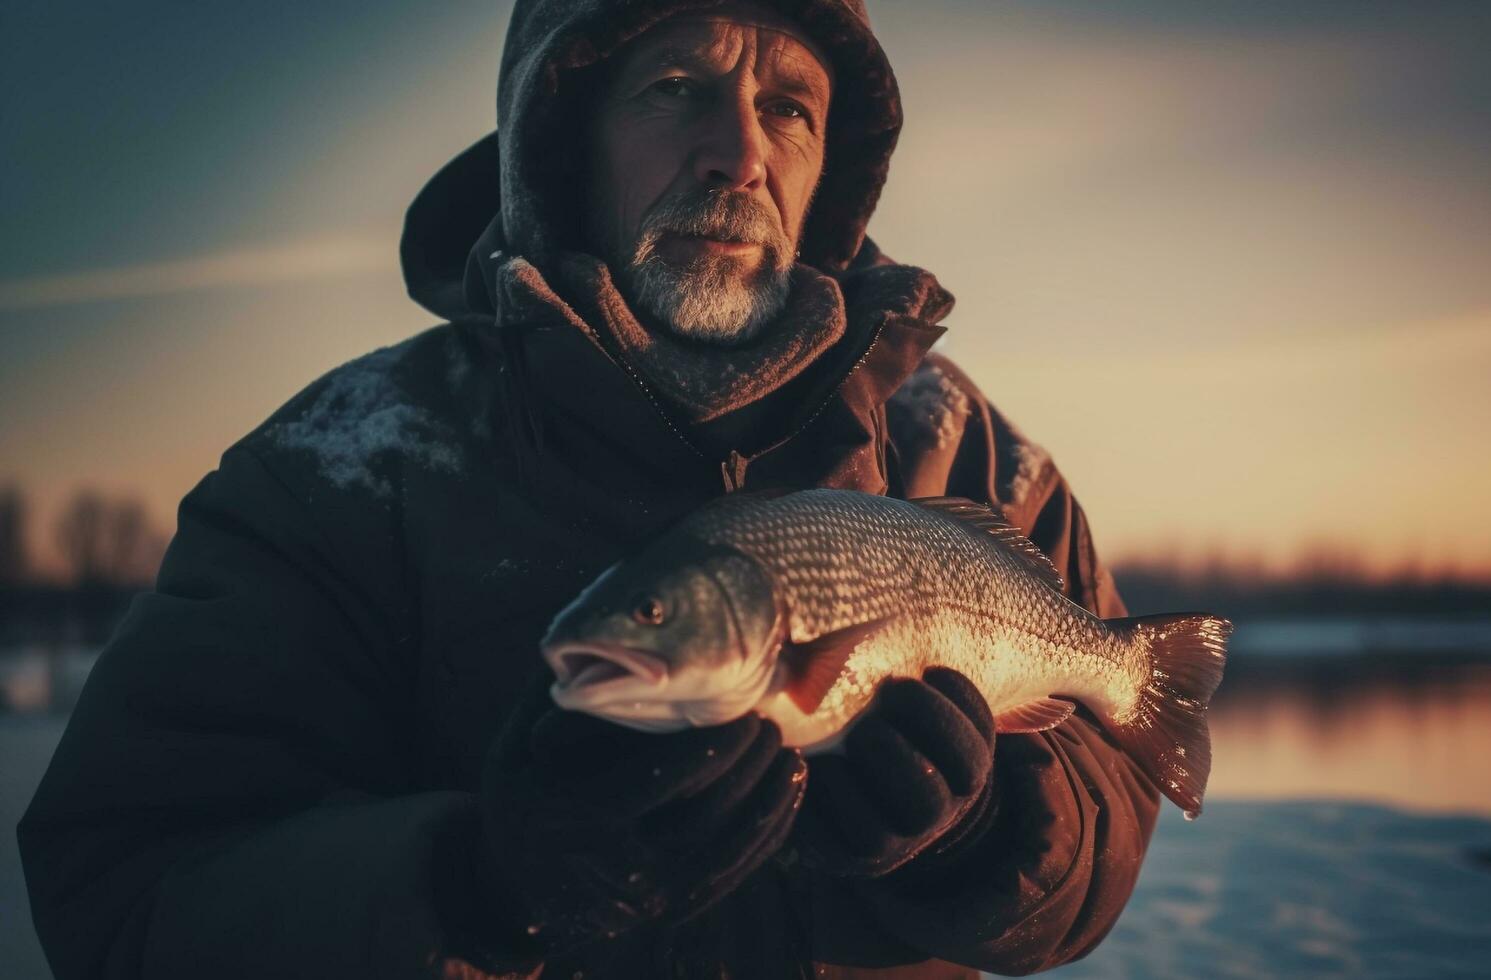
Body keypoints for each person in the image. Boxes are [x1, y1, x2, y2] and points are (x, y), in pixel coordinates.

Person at [18, 1, 1163, 976]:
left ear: (833, 174)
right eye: (675, 87)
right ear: (558, 137)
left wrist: (994, 834)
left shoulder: (967, 454)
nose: (738, 153)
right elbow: (120, 890)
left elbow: (1110, 812)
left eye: (789, 107)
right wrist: (474, 882)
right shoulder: (337, 468)